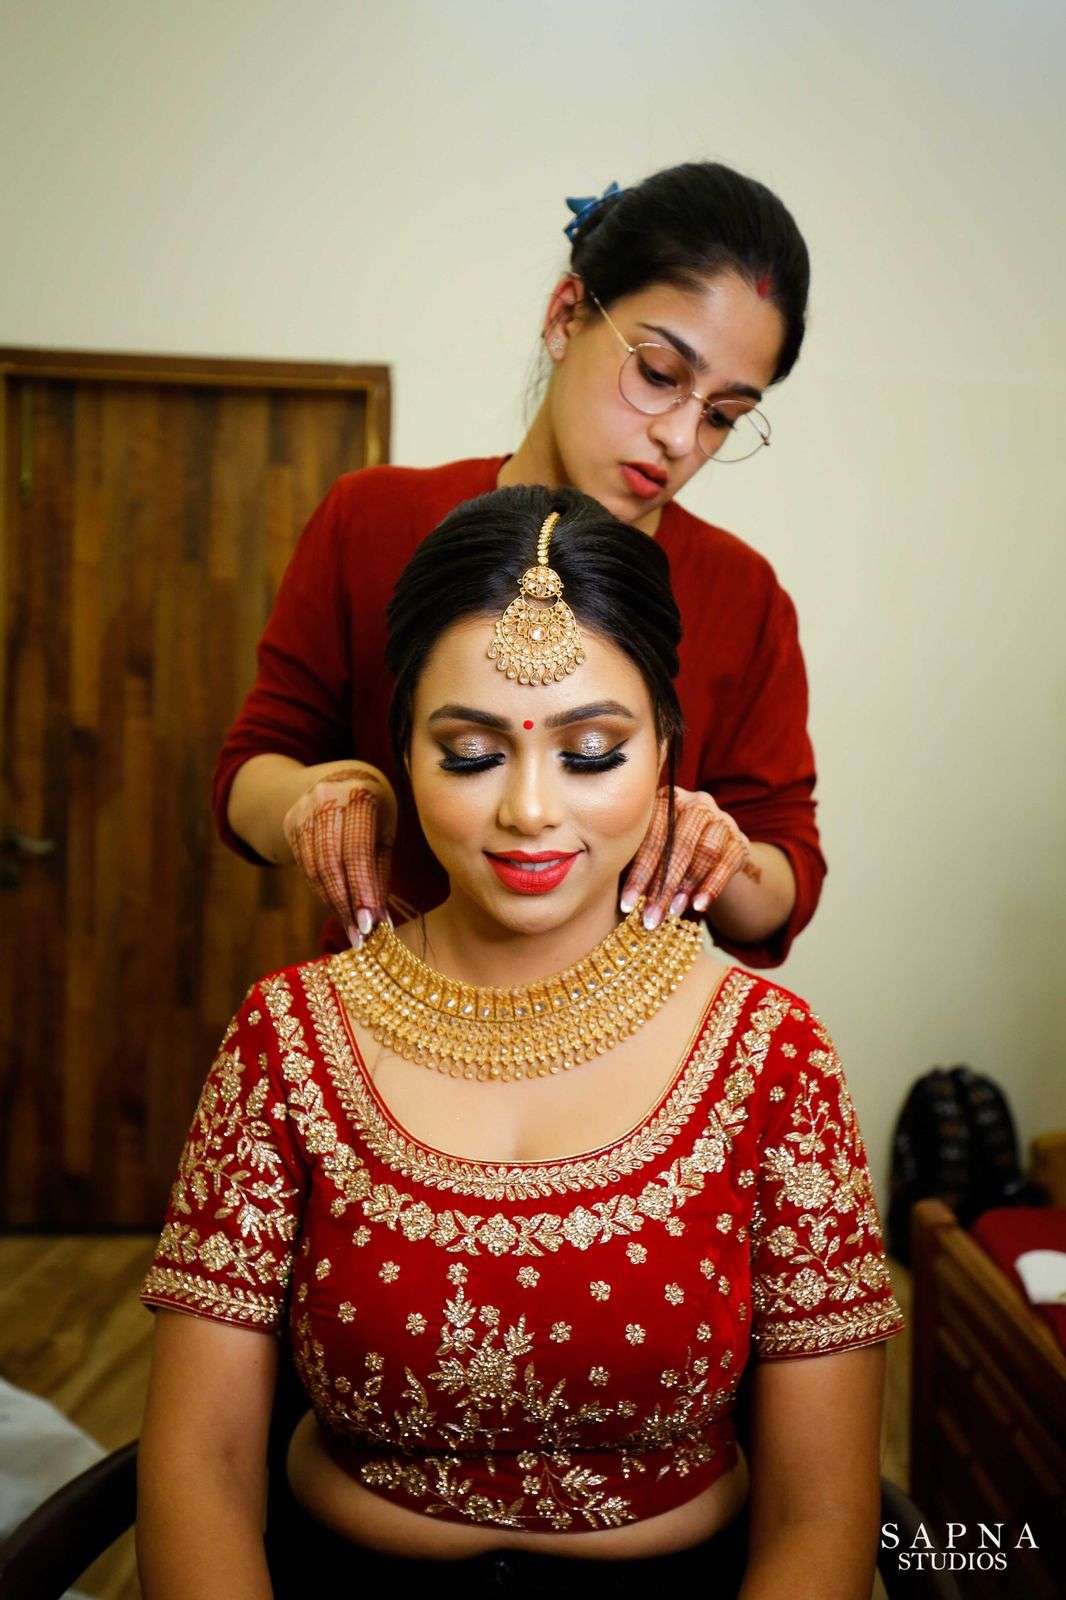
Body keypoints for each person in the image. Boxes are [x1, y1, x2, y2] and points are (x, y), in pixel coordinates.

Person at [138, 487, 904, 1600]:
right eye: (469, 754)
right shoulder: (291, 1035)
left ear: (666, 757)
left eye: (592, 752)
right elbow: (201, 1470)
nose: (530, 810)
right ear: (400, 752)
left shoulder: (769, 1052)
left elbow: (821, 1512)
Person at [214, 161, 824, 970]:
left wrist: (718, 852)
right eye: (657, 374)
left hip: (627, 1033)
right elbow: (250, 773)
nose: (680, 438)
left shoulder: (742, 595)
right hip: (394, 998)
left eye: (724, 415)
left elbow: (783, 884)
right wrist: (323, 800)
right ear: (566, 315)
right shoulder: (373, 520)